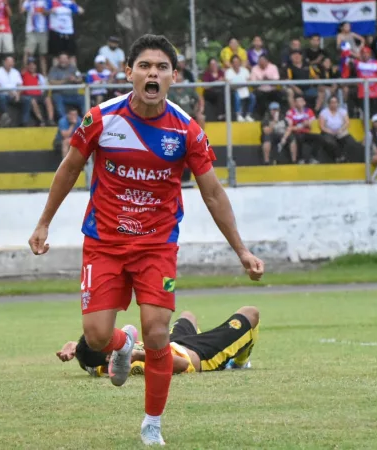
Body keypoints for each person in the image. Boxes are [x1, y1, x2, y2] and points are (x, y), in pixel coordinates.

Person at [27, 34, 264, 446]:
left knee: (158, 332)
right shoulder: (101, 118)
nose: (152, 73)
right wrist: (44, 222)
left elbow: (212, 193)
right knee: (97, 337)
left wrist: (241, 250)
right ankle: (122, 344)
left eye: (161, 67)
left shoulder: (186, 130)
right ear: (129, 73)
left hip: (156, 246)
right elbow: (68, 169)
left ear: (174, 76)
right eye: (144, 66)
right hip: (103, 243)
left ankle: (152, 424)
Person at [57, 306, 260, 376]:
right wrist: (140, 355)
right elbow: (182, 365)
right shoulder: (128, 363)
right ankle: (239, 363)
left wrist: (73, 347)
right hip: (198, 354)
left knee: (187, 316)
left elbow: (90, 358)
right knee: (250, 314)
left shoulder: (99, 363)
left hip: (169, 341)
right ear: (111, 356)